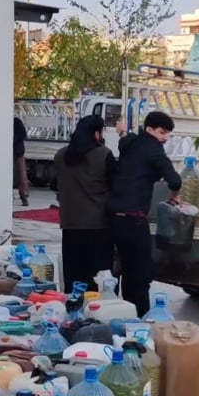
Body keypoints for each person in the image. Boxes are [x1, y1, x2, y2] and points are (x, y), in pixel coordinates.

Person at [107, 111, 182, 316]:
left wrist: (122, 132)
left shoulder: (128, 144)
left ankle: (112, 313)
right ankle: (138, 320)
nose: (165, 137)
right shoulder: (154, 150)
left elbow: (125, 139)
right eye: (162, 132)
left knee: (113, 273)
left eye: (168, 134)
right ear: (150, 130)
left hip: (113, 218)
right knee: (138, 275)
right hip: (134, 221)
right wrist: (175, 194)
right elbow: (174, 180)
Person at [54, 115, 117, 292]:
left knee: (74, 279)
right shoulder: (103, 155)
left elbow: (56, 184)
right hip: (99, 228)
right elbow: (115, 186)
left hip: (70, 227)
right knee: (99, 281)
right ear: (96, 133)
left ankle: (73, 313)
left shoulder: (61, 156)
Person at [13, 116, 29, 206]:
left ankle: (23, 195)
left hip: (16, 153)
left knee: (20, 176)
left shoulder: (13, 123)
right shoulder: (17, 122)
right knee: (22, 176)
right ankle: (23, 196)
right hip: (19, 153)